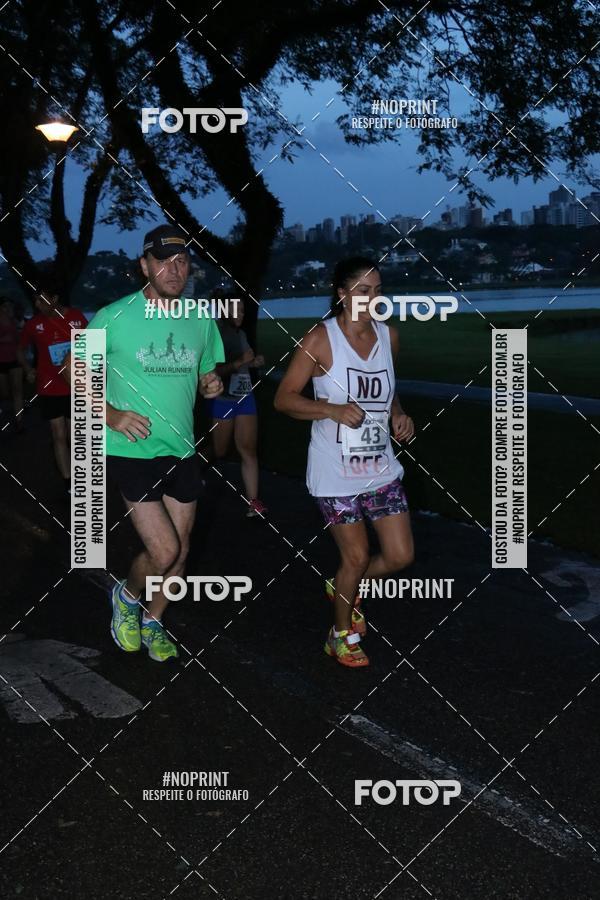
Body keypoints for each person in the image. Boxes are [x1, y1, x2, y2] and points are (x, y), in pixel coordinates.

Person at [66, 225, 224, 663]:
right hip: (130, 448)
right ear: (144, 266)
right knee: (165, 550)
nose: (174, 270)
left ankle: (154, 620)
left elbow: (206, 374)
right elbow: (74, 371)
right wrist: (111, 415)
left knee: (182, 551)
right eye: (163, 261)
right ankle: (127, 595)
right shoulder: (113, 316)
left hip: (182, 449)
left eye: (182, 261)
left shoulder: (200, 319)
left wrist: (210, 383)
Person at [274, 257, 415, 669]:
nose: (372, 298)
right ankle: (340, 636)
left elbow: (388, 391)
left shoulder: (389, 337)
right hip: (334, 471)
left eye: (377, 290)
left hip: (379, 465)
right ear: (342, 293)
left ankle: (343, 589)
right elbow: (284, 399)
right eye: (363, 290)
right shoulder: (320, 339)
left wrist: (397, 415)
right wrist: (331, 410)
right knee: (355, 557)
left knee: (400, 555)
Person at [17, 285, 87, 492]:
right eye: (35, 301)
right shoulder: (34, 324)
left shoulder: (76, 317)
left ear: (54, 297)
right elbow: (21, 349)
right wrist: (28, 368)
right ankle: (68, 482)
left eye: (41, 299)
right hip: (48, 386)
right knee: (58, 434)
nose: (37, 305)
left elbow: (92, 345)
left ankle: (81, 474)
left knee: (75, 435)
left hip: (75, 386)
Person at [206, 297, 267, 517]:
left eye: (243, 310)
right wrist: (241, 362)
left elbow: (246, 360)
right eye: (237, 310)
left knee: (248, 449)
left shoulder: (241, 334)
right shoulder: (216, 336)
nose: (242, 314)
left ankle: (254, 502)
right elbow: (215, 372)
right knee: (219, 450)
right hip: (223, 399)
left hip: (244, 396)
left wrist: (254, 362)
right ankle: (194, 471)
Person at [0, 297, 25, 433]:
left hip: (15, 359)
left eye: (9, 306)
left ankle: (19, 421)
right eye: (4, 306)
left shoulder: (15, 319)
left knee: (17, 391)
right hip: (1, 360)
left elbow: (22, 338)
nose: (7, 309)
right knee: (4, 392)